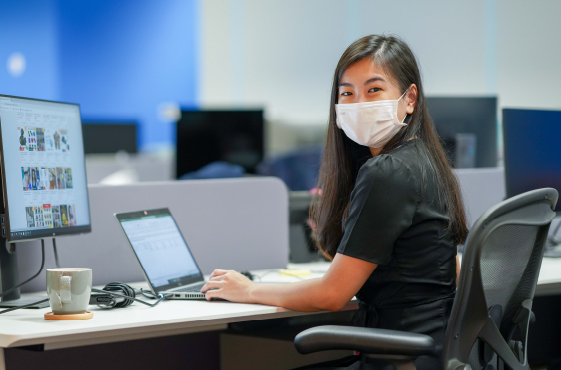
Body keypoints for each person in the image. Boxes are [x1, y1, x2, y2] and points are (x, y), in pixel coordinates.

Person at [201, 35, 468, 369]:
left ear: (409, 98)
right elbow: (449, 270)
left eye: (374, 90)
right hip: (434, 353)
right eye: (347, 93)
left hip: (401, 358)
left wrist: (249, 289)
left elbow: (332, 295)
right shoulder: (426, 161)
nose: (359, 104)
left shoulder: (387, 172)